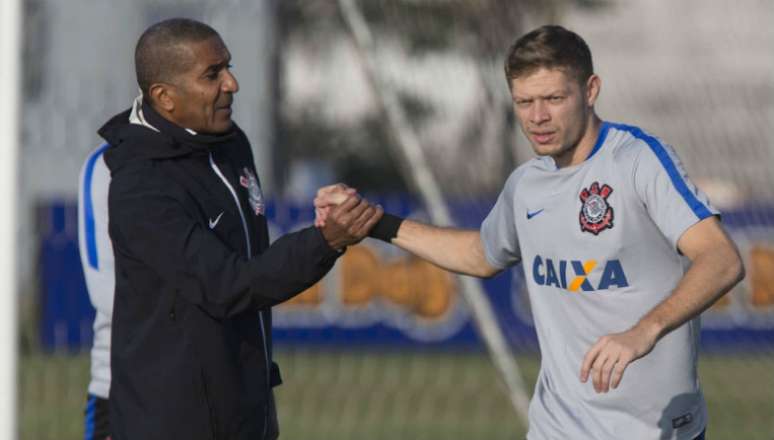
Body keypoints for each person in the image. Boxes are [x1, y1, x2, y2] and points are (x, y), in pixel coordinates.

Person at [316, 25, 743, 439]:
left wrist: (644, 330)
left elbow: (721, 259)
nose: (537, 117)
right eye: (524, 102)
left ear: (591, 90)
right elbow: (479, 255)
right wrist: (373, 222)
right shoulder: (526, 184)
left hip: (660, 429)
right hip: (558, 427)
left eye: (554, 98)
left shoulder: (637, 161)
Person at [96, 18, 381, 440]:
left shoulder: (229, 143)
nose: (232, 83)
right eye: (212, 74)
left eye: (227, 66)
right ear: (164, 98)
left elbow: (253, 267)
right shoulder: (141, 188)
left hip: (246, 418)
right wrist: (324, 241)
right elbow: (229, 285)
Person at [78, 142, 114, 440]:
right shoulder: (109, 164)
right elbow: (108, 294)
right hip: (121, 392)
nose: (230, 90)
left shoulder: (228, 151)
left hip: (221, 395)